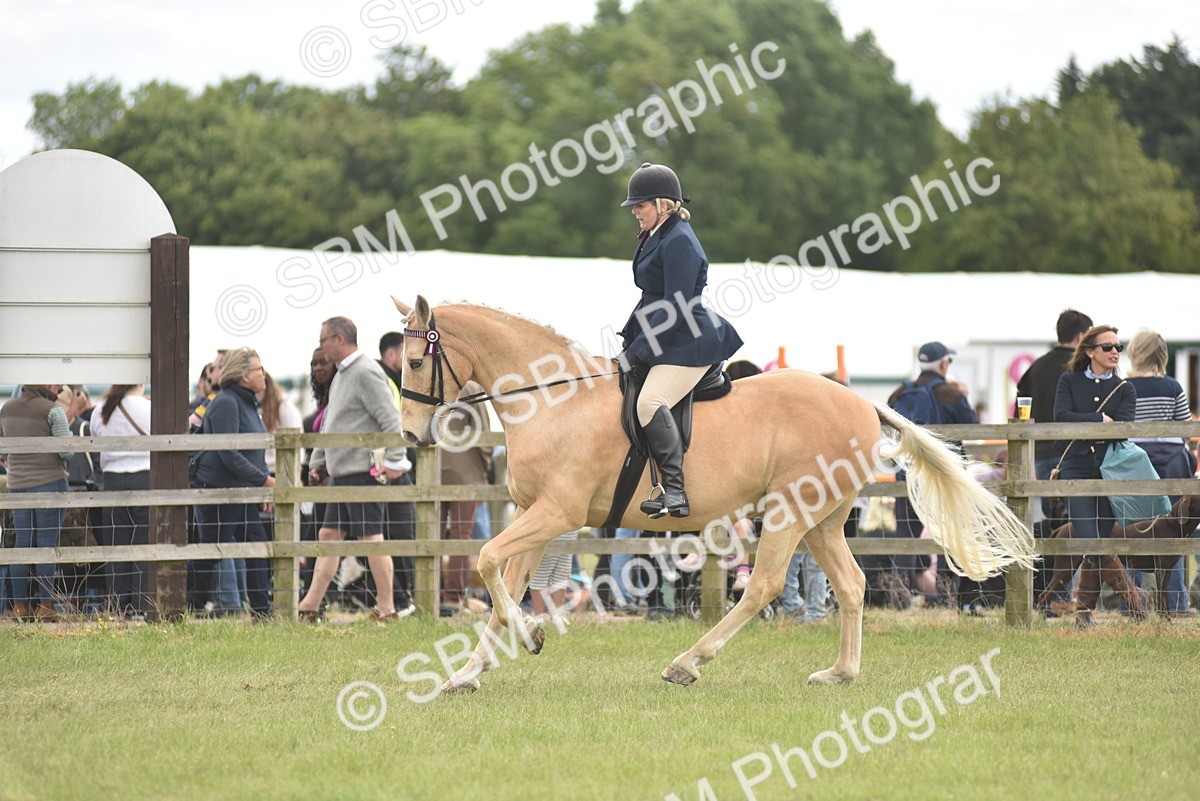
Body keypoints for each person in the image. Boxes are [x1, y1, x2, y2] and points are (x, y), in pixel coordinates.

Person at [616, 162, 743, 519]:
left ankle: (675, 490)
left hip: (689, 340)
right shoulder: (657, 235)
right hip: (665, 336)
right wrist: (630, 341)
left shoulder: (681, 241)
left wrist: (639, 353)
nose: (635, 212)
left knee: (649, 402)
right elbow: (650, 297)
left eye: (640, 206)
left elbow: (675, 307)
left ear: (662, 204)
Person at [297, 317, 409, 622]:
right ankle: (309, 605)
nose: (320, 346)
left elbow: (391, 419)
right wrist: (319, 461)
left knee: (371, 539)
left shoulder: (366, 372)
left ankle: (386, 607)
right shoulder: (342, 375)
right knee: (329, 535)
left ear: (339, 339)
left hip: (363, 473)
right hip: (343, 473)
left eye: (323, 340)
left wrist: (395, 461)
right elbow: (331, 424)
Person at [1053, 324, 1148, 627]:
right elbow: (1062, 417)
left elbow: (1126, 426)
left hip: (1110, 471)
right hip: (1077, 469)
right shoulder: (1068, 381)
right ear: (1090, 351)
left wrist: (1103, 425)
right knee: (1090, 539)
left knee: (1100, 542)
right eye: (1107, 347)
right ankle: (1134, 600)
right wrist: (1098, 420)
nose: (1114, 352)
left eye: (1118, 347)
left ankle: (1083, 614)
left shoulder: (1125, 388)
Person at [886, 342, 979, 606]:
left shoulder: (899, 392)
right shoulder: (950, 392)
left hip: (908, 476)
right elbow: (974, 428)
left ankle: (900, 599)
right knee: (951, 536)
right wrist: (964, 396)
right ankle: (948, 598)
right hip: (943, 478)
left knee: (907, 538)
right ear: (944, 364)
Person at [193, 348, 276, 619]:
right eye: (258, 369)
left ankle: (262, 613)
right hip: (221, 492)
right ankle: (185, 607)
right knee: (210, 553)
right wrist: (263, 479)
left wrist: (260, 483)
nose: (264, 374)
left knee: (258, 548)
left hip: (243, 492)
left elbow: (255, 449)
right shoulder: (226, 402)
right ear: (243, 376)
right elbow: (228, 452)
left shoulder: (248, 402)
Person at [1125, 329, 1195, 615]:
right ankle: (1176, 603)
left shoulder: (1123, 386)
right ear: (1162, 355)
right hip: (1170, 464)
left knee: (1129, 528)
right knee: (1174, 530)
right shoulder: (1172, 387)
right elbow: (1186, 429)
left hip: (1134, 465)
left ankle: (1133, 604)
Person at [0, 384, 74, 621]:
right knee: (45, 543)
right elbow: (67, 452)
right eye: (55, 381)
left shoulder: (6, 408)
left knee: (22, 543)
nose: (60, 386)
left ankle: (20, 606)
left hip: (17, 484)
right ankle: (46, 606)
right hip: (49, 482)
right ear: (43, 383)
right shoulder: (53, 410)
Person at [1016, 309, 1093, 523]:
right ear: (1080, 336)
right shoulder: (1084, 367)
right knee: (1080, 514)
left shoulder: (1036, 367)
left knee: (1053, 514)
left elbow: (1019, 408)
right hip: (1076, 450)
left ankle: (1054, 555)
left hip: (1042, 450)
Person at [89, 384, 152, 621]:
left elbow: (95, 435)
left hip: (113, 478)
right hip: (145, 475)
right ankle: (139, 604)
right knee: (142, 543)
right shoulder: (148, 407)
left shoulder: (102, 409)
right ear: (140, 382)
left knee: (116, 542)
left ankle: (116, 605)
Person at [438, 390, 493, 612]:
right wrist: (482, 468)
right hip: (466, 471)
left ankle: (432, 592)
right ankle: (453, 597)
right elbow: (484, 436)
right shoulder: (470, 388)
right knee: (461, 536)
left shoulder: (435, 382)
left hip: (434, 469)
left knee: (435, 536)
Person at [378, 332, 417, 617]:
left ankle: (399, 598)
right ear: (391, 355)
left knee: (392, 535)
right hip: (389, 469)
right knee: (399, 534)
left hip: (390, 466)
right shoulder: (386, 381)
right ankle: (401, 599)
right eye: (404, 352)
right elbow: (394, 423)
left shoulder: (392, 381)